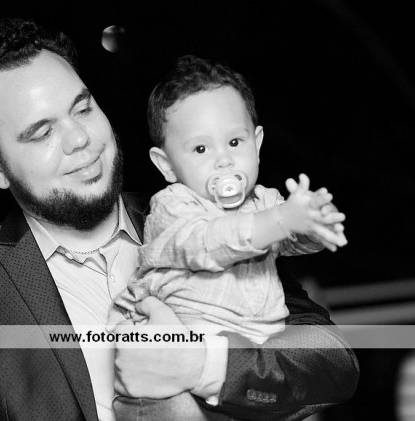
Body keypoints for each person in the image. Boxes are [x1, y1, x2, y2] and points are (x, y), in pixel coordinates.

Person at [0, 17, 359, 421]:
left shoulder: (202, 217)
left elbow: (332, 364)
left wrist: (207, 366)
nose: (79, 139)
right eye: (41, 133)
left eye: (82, 109)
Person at [108, 55, 349, 420]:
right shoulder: (171, 207)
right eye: (201, 149)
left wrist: (313, 224)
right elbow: (210, 242)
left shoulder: (265, 202)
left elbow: (289, 239)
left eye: (235, 142)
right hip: (166, 368)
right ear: (167, 165)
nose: (223, 160)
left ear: (257, 143)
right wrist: (280, 220)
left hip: (241, 362)